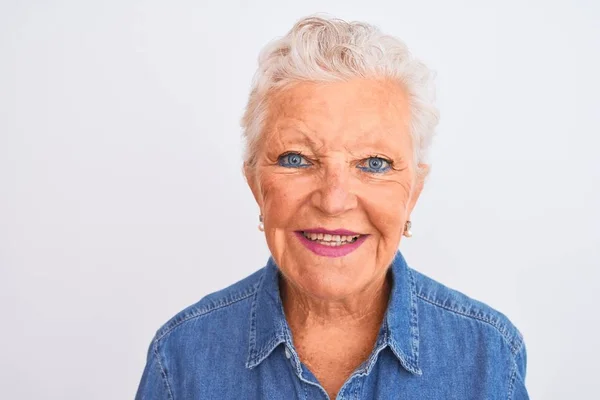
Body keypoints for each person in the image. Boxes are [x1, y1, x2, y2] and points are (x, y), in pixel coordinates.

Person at [135, 15, 528, 400]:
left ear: (414, 192)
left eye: (374, 163)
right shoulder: (181, 358)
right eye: (296, 159)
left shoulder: (489, 356)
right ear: (255, 184)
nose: (334, 200)